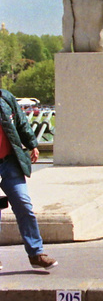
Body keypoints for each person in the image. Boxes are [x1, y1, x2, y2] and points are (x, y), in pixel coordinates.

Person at [0, 88, 57, 270]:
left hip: (9, 161)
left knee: (23, 204)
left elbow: (21, 121)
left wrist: (32, 144)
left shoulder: (5, 97)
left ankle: (36, 254)